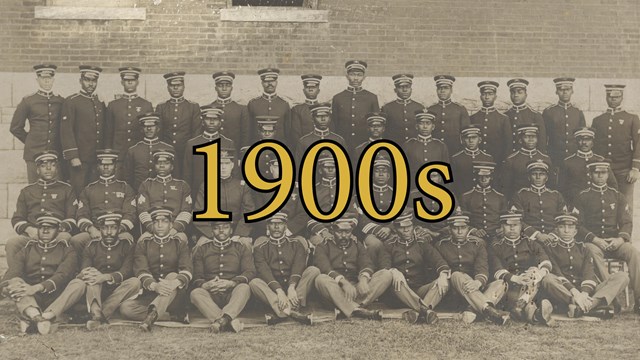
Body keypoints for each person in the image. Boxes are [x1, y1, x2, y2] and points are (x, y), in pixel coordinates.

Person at [574, 160, 640, 314]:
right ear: (590, 174)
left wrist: (620, 239)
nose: (600, 176)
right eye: (596, 172)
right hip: (594, 242)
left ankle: (639, 299)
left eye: (603, 172)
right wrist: (595, 239)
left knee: (633, 252)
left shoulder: (617, 196)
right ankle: (611, 298)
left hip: (614, 242)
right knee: (591, 251)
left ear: (607, 174)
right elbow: (578, 226)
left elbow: (626, 222)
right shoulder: (582, 197)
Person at [540, 209, 629, 319]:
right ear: (556, 230)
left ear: (575, 231)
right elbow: (557, 273)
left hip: (585, 292)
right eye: (562, 227)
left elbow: (589, 273)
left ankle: (582, 308)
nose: (567, 231)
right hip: (564, 292)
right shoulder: (550, 248)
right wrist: (575, 294)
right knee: (547, 279)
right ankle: (585, 306)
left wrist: (584, 293)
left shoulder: (583, 248)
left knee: (623, 276)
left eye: (571, 227)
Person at [0, 213, 79, 335]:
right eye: (42, 227)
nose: (45, 231)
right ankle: (38, 317)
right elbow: (13, 270)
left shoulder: (67, 250)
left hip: (56, 297)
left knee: (78, 284)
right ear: (37, 229)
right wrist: (6, 287)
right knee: (15, 281)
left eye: (50, 227)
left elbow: (62, 275)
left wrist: (35, 288)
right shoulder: (28, 248)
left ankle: (36, 317)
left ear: (58, 230)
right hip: (32, 298)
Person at [120, 207, 193, 332]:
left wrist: (172, 283)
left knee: (171, 275)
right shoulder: (144, 244)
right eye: (156, 222)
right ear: (152, 225)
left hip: (175, 296)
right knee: (125, 308)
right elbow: (141, 270)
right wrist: (155, 286)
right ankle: (171, 316)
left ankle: (151, 317)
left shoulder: (179, 243)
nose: (160, 225)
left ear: (171, 225)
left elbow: (187, 270)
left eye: (164, 221)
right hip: (152, 293)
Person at [434, 208, 511, 325]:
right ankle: (490, 311)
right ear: (449, 229)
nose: (460, 232)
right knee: (456, 274)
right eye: (455, 228)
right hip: (455, 293)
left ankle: (472, 309)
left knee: (501, 283)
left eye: (463, 228)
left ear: (468, 229)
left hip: (474, 289)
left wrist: (478, 282)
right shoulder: (441, 246)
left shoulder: (478, 245)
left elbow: (482, 267)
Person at [65, 211, 140, 330]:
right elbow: (86, 268)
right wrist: (96, 276)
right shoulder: (91, 246)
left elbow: (127, 271)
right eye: (105, 228)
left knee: (135, 282)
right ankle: (97, 313)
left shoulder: (128, 245)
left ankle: (99, 315)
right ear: (100, 229)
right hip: (97, 290)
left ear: (119, 229)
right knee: (91, 277)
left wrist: (105, 277)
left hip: (118, 289)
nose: (109, 232)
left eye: (113, 228)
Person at [314, 213, 392, 320]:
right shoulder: (323, 245)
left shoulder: (357, 244)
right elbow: (325, 268)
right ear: (332, 230)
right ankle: (356, 309)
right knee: (321, 279)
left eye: (347, 232)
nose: (344, 235)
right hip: (336, 290)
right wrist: (344, 282)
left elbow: (366, 263)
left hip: (355, 290)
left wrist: (363, 280)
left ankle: (349, 308)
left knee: (386, 274)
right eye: (340, 232)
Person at [6, 151, 76, 270]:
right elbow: (18, 218)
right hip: (33, 232)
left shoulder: (66, 189)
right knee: (12, 244)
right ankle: (17, 277)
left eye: (52, 165)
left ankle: (58, 277)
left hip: (57, 232)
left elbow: (72, 217)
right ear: (37, 169)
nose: (48, 169)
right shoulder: (27, 191)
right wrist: (30, 230)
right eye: (44, 166)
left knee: (64, 238)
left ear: (57, 168)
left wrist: (56, 230)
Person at [485, 207, 554, 326]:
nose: (512, 228)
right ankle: (533, 313)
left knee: (533, 271)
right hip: (509, 288)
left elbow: (545, 262)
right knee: (529, 304)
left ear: (521, 226)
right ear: (502, 227)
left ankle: (526, 310)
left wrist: (538, 274)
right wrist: (517, 279)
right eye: (508, 225)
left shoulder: (530, 243)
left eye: (516, 225)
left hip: (530, 286)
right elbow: (497, 270)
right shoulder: (496, 246)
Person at [378, 209, 448, 324]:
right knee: (396, 280)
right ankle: (425, 310)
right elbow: (384, 267)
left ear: (413, 226)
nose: (406, 230)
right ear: (395, 229)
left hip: (418, 291)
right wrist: (393, 271)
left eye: (409, 226)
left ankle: (418, 312)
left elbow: (439, 262)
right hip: (397, 293)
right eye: (401, 227)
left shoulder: (422, 243)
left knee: (443, 282)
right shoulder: (388, 245)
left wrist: (443, 275)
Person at [250, 213, 318, 325]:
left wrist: (291, 288)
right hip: (273, 289)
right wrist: (279, 291)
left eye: (280, 223)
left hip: (295, 288)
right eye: (273, 224)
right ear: (267, 227)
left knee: (313, 270)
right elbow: (264, 271)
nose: (276, 227)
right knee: (254, 283)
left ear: (285, 226)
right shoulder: (260, 248)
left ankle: (282, 312)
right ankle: (293, 312)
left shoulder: (296, 244)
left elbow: (298, 266)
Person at [190, 222, 255, 333]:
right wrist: (206, 285)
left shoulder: (241, 248)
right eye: (216, 228)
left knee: (244, 288)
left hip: (232, 294)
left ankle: (221, 321)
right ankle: (227, 320)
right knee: (195, 293)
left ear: (231, 230)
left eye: (225, 227)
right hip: (211, 295)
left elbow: (250, 271)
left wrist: (232, 283)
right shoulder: (202, 249)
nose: (221, 230)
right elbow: (197, 275)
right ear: (211, 231)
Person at [72, 149, 136, 254]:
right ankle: (83, 268)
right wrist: (92, 229)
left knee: (127, 239)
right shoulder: (88, 189)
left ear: (115, 166)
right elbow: (81, 214)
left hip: (118, 231)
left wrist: (117, 230)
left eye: (110, 164)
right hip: (96, 230)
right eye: (102, 164)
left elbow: (130, 213)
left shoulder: (125, 188)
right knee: (76, 241)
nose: (106, 167)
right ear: (98, 166)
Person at [10, 64, 64, 183]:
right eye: (43, 78)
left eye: (49, 78)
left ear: (53, 79)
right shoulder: (29, 101)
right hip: (34, 154)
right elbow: (15, 127)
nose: (46, 80)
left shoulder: (60, 101)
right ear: (37, 79)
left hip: (55, 153)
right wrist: (31, 140)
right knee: (35, 191)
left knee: (56, 190)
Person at [591, 84, 640, 212]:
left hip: (625, 170)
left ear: (622, 97)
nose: (613, 99)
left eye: (616, 97)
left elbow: (638, 143)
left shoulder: (632, 119)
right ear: (606, 97)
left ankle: (625, 232)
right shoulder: (598, 120)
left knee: (626, 206)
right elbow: (594, 147)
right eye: (610, 97)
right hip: (604, 170)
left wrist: (635, 168)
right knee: (605, 205)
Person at [60, 65, 106, 195]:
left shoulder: (99, 102)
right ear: (80, 81)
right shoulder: (72, 101)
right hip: (80, 159)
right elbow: (66, 130)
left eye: (94, 80)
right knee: (78, 192)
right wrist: (73, 156)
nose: (91, 84)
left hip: (96, 158)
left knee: (94, 193)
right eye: (87, 80)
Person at [193, 147, 255, 242]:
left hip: (236, 233)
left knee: (245, 244)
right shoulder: (206, 185)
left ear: (232, 165)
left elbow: (249, 212)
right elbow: (198, 214)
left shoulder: (242, 186)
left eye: (227, 163)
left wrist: (238, 234)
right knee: (200, 245)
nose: (223, 167)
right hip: (213, 232)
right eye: (220, 163)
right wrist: (212, 234)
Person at [105, 66, 153, 177]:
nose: (130, 82)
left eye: (133, 80)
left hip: (139, 156)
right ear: (122, 82)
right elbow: (108, 132)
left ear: (137, 82)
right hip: (118, 155)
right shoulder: (113, 105)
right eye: (127, 80)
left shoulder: (146, 105)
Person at [136, 149, 192, 242]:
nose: (162, 166)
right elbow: (143, 211)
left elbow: (186, 211)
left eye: (166, 163)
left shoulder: (182, 185)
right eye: (158, 163)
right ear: (154, 166)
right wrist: (153, 228)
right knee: (142, 241)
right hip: (152, 230)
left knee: (181, 240)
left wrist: (175, 228)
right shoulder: (146, 185)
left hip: (175, 230)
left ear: (172, 166)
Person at [183, 105, 235, 200]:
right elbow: (187, 172)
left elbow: (233, 171)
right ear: (202, 122)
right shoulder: (192, 143)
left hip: (222, 191)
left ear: (220, 122)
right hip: (197, 191)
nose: (211, 122)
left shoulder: (228, 143)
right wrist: (187, 193)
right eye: (208, 119)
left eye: (215, 119)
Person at [155, 71, 201, 175]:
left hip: (186, 152)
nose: (175, 88)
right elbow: (159, 132)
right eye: (172, 85)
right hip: (166, 153)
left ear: (183, 86)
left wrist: (191, 152)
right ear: (168, 88)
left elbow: (196, 132)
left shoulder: (193, 107)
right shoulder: (161, 107)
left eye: (178, 85)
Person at [558, 127, 617, 206]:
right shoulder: (568, 162)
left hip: (598, 203)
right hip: (576, 203)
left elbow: (613, 185)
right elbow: (562, 189)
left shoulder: (600, 160)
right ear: (576, 141)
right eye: (580, 139)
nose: (584, 143)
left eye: (588, 139)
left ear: (593, 142)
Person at [511, 159, 566, 243]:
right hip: (529, 239)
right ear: (529, 177)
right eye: (534, 174)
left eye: (542, 174)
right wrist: (537, 235)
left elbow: (563, 219)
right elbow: (517, 220)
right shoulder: (520, 195)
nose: (538, 177)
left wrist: (553, 235)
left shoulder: (556, 195)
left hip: (554, 239)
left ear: (546, 177)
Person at [331, 60, 380, 152]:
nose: (356, 78)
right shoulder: (338, 98)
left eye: (359, 75)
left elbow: (376, 122)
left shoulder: (371, 97)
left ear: (364, 77)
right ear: (347, 76)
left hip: (364, 141)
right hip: (343, 142)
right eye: (352, 74)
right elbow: (334, 123)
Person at [498, 124, 552, 198]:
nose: (531, 140)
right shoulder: (511, 160)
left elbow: (550, 185)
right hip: (519, 201)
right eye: (526, 137)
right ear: (520, 140)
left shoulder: (545, 158)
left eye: (534, 137)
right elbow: (506, 187)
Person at [542, 77, 586, 166]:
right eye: (561, 89)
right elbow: (543, 136)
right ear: (556, 92)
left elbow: (582, 136)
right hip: (555, 157)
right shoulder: (549, 112)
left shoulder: (577, 112)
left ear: (572, 91)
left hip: (574, 157)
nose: (565, 92)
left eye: (568, 89)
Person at [461, 161, 507, 243]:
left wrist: (503, 228)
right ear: (476, 177)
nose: (484, 179)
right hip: (475, 236)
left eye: (487, 176)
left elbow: (505, 218)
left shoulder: (500, 197)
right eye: (481, 176)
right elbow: (462, 219)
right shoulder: (466, 196)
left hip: (496, 235)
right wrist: (473, 230)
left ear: (491, 177)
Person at [245, 67, 291, 147]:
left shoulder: (284, 104)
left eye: (272, 81)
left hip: (279, 146)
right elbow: (248, 129)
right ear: (262, 83)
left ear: (276, 82)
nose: (270, 84)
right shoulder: (253, 104)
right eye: (266, 81)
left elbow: (288, 130)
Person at [470, 81, 512, 166]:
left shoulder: (503, 119)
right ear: (480, 96)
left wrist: (504, 162)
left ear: (495, 97)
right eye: (484, 94)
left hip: (497, 161)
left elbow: (508, 144)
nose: (487, 97)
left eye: (490, 94)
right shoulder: (473, 118)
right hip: (477, 161)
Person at [427, 75, 470, 155]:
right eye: (440, 88)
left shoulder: (460, 109)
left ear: (451, 90)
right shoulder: (430, 109)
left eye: (446, 88)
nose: (442, 91)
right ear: (436, 90)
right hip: (434, 149)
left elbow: (466, 133)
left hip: (455, 149)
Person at [404, 109, 450, 181]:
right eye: (421, 123)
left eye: (428, 123)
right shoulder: (408, 145)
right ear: (416, 126)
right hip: (414, 187)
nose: (425, 127)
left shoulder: (441, 146)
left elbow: (446, 173)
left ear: (433, 127)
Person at [450, 124, 493, 198]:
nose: (471, 141)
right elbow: (452, 184)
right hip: (461, 197)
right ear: (463, 140)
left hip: (481, 199)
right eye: (467, 138)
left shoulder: (487, 158)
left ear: (480, 139)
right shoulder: (455, 159)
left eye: (474, 137)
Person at [504, 78, 547, 153]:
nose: (516, 95)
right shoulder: (505, 116)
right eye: (513, 92)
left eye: (520, 92)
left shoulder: (535, 115)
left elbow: (541, 142)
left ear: (526, 95)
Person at [209, 71, 248, 154]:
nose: (224, 88)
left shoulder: (241, 109)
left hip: (234, 153)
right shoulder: (209, 108)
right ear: (215, 88)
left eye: (227, 85)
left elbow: (245, 135)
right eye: (220, 85)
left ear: (232, 88)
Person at [381, 73, 424, 144]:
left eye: (407, 87)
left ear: (411, 89)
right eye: (401, 87)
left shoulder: (419, 107)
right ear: (395, 90)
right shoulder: (387, 108)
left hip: (414, 147)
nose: (405, 90)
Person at [290, 74, 326, 148]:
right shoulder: (297, 109)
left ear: (318, 90)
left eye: (314, 87)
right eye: (307, 87)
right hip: (304, 147)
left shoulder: (324, 108)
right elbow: (296, 135)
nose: (310, 89)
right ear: (303, 90)